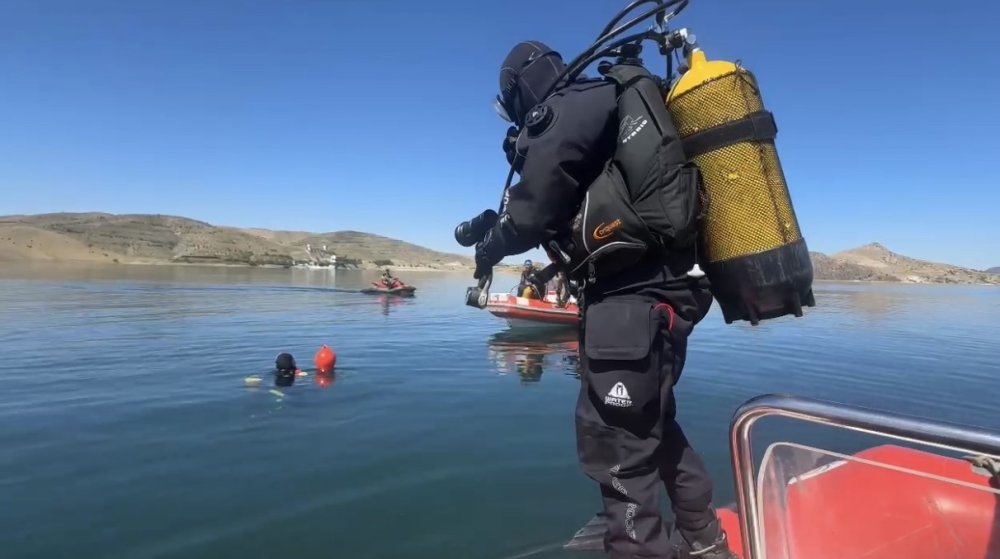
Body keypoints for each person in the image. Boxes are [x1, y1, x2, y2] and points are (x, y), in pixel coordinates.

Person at [471, 41, 735, 558]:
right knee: (650, 425)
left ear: (523, 86)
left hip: (633, 298)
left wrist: (492, 241)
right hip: (658, 293)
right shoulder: (604, 104)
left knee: (615, 444)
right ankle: (706, 542)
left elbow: (533, 210)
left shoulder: (570, 107)